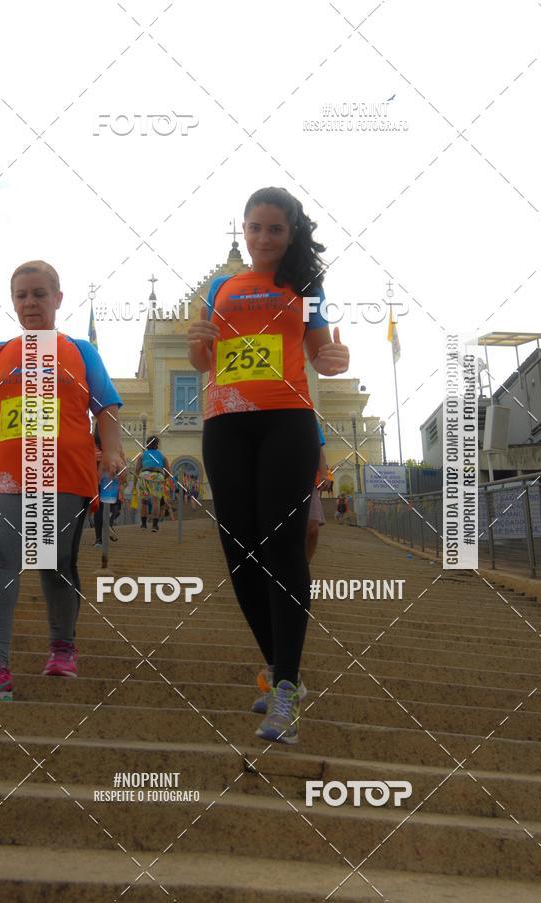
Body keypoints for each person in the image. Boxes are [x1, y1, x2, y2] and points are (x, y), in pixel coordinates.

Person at [188, 186, 349, 744]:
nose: (262, 238)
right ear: (245, 228)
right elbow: (201, 360)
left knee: (281, 547)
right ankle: (284, 671)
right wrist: (198, 340)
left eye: (274, 229)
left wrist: (336, 358)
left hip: (287, 421)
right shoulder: (220, 287)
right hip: (225, 423)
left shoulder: (306, 285)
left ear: (291, 233)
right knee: (239, 551)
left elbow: (322, 354)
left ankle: (284, 688)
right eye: (254, 227)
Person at [0, 260, 125, 699]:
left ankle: (62, 647)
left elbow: (106, 407)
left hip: (62, 475)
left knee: (53, 564)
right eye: (21, 295)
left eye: (39, 294)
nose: (30, 303)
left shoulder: (79, 352)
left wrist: (112, 449)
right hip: (2, 477)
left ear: (57, 299)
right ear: (13, 302)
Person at [135, 436, 170, 532]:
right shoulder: (162, 456)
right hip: (158, 476)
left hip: (144, 476)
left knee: (144, 502)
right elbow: (168, 471)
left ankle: (143, 524)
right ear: (157, 445)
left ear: (147, 444)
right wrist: (163, 479)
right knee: (156, 502)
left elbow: (137, 469)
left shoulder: (142, 455)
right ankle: (155, 525)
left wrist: (135, 482)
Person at [306, 419, 328, 563]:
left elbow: (319, 449)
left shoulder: (309, 418)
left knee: (313, 528)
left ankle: (305, 565)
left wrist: (324, 475)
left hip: (308, 481)